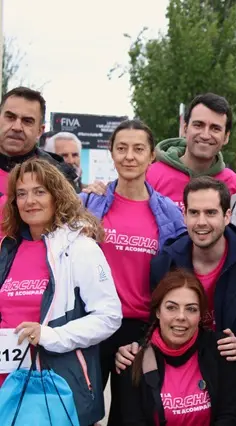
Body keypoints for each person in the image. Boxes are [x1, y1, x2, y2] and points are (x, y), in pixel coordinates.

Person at [115, 176, 236, 425]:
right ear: (184, 215)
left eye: (210, 213)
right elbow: (154, 321)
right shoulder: (165, 262)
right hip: (178, 387)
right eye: (194, 213)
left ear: (227, 216)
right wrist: (133, 349)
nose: (201, 222)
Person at [79, 119, 186, 425]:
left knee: (130, 417)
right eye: (122, 148)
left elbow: (178, 275)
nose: (129, 156)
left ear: (151, 155)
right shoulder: (88, 203)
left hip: (139, 330)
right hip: (92, 324)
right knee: (81, 413)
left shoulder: (169, 212)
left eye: (138, 149)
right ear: (111, 153)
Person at [0, 158, 122, 426]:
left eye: (39, 191)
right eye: (22, 194)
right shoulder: (8, 248)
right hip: (7, 387)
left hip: (56, 390)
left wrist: (51, 336)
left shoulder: (80, 248)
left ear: (57, 196)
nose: (30, 201)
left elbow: (109, 316)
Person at [120, 269, 236, 425]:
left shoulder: (220, 349)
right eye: (171, 307)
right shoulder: (134, 359)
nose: (181, 316)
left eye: (191, 309)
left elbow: (230, 415)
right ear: (158, 311)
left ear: (200, 315)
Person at [145, 93, 236, 209]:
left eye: (215, 128)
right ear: (185, 129)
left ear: (226, 137)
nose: (205, 135)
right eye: (198, 125)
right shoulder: (151, 176)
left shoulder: (234, 184)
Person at [0, 87, 76, 202]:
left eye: (27, 121)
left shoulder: (60, 177)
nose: (17, 127)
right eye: (10, 117)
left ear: (40, 131)